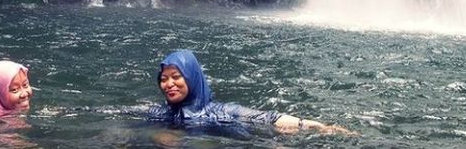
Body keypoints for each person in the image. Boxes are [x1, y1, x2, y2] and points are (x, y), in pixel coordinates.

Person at [148, 50, 352, 137]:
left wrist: (314, 126)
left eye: (176, 77)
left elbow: (267, 117)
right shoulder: (161, 113)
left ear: (191, 78)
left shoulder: (218, 112)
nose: (169, 84)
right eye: (164, 79)